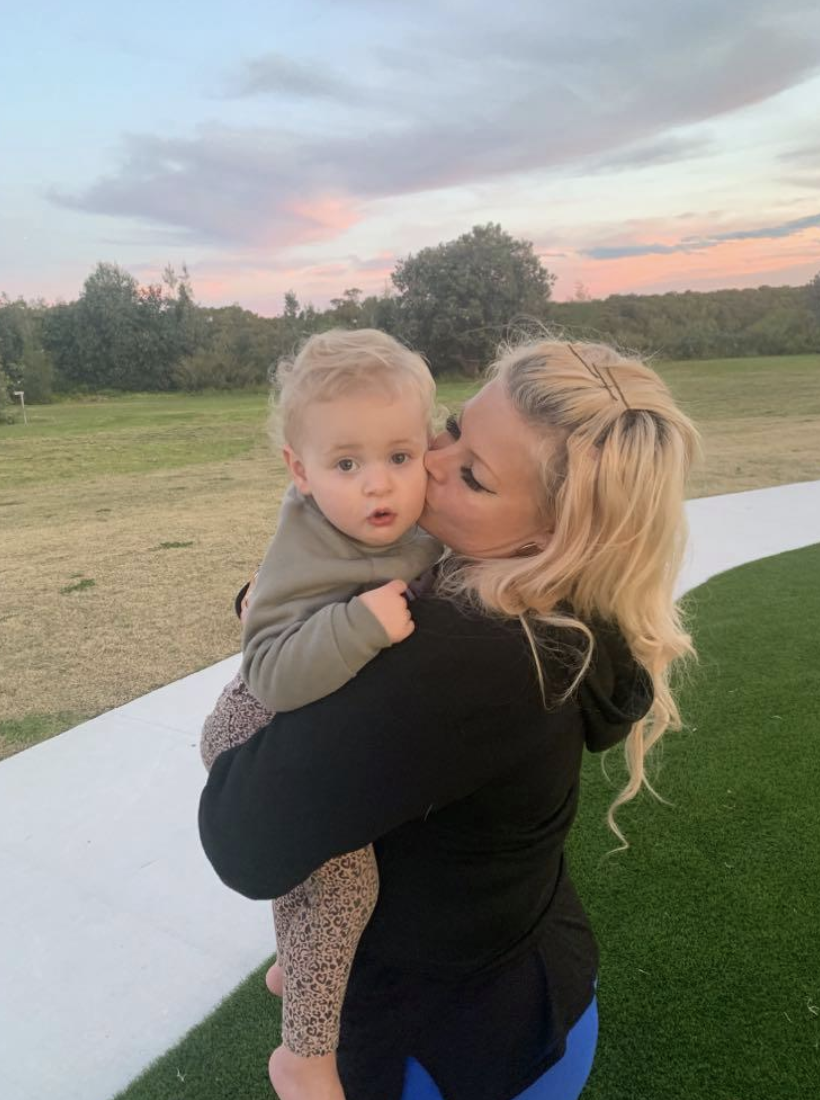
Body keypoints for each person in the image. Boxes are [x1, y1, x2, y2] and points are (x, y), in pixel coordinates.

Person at [199, 336, 699, 1100]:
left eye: (471, 474)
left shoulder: (463, 657)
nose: (427, 462)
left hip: (441, 1045)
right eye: (454, 427)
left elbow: (245, 839)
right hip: (534, 989)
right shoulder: (565, 610)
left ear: (550, 533)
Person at [201, 328, 442, 1100]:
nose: (381, 487)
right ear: (300, 473)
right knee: (344, 886)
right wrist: (357, 627)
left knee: (316, 894)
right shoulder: (305, 549)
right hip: (255, 725)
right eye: (347, 464)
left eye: (400, 458)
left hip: (307, 723)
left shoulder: (407, 520)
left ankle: (297, 964)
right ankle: (303, 1057)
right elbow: (267, 669)